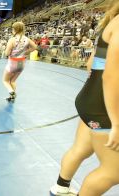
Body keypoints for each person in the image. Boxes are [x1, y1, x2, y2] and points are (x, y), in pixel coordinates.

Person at [50, 1, 119, 195]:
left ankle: (60, 187)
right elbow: (112, 76)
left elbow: (91, 64)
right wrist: (116, 123)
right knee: (113, 172)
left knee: (80, 149)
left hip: (91, 101)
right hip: (104, 109)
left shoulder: (112, 22)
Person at [2, 22, 37, 102]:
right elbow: (34, 47)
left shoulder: (12, 40)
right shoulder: (27, 39)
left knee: (5, 80)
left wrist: (7, 51)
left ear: (15, 30)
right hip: (21, 63)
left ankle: (11, 92)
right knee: (13, 81)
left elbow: (7, 53)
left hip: (12, 63)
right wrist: (26, 52)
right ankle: (12, 98)